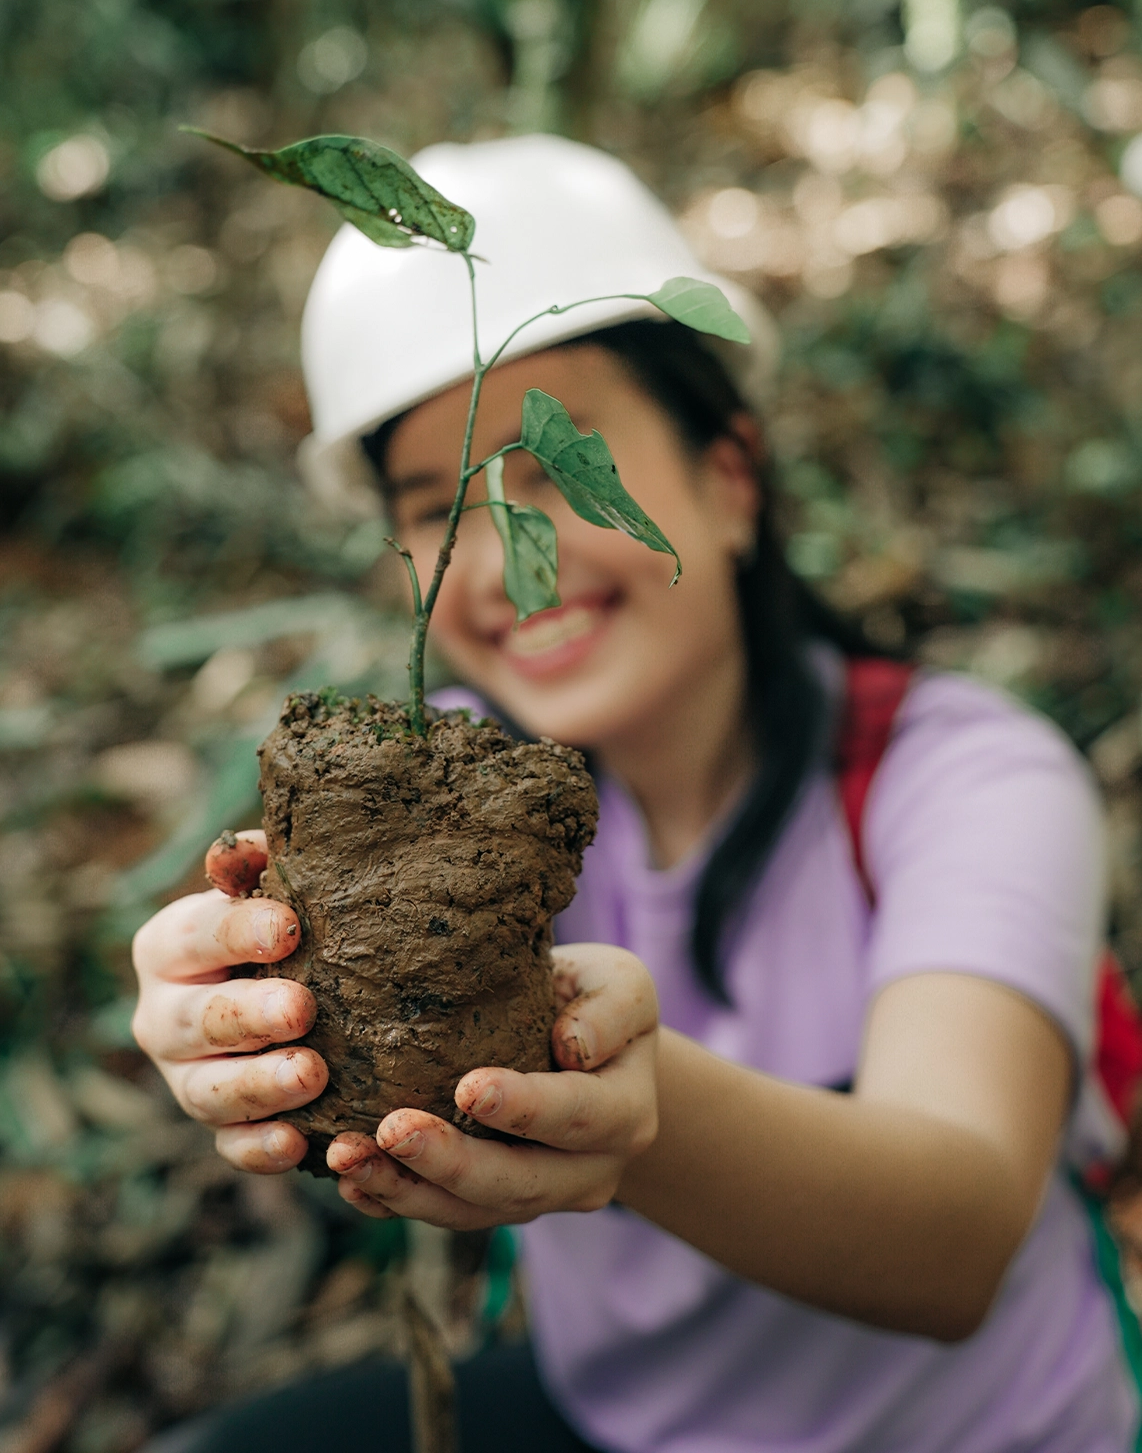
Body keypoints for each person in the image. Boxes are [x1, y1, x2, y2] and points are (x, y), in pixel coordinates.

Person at [132, 136, 1137, 1451]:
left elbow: (953, 1244)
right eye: (442, 506)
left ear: (729, 479)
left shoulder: (965, 779)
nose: (502, 569)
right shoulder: (448, 796)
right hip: (626, 1424)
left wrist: (640, 1114)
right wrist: (234, 1020)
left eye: (549, 470)